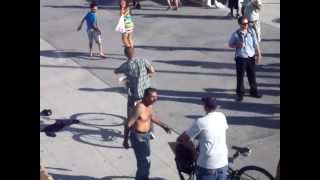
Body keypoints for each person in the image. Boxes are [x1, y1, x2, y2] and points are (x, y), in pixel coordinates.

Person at [123, 87, 172, 180]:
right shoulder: (139, 108)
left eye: (156, 97)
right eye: (152, 97)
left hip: (146, 136)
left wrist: (164, 126)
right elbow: (128, 124)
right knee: (143, 164)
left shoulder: (149, 105)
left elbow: (152, 117)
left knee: (147, 161)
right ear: (145, 97)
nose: (155, 99)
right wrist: (125, 140)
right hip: (138, 137)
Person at [177, 97, 229, 180]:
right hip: (223, 162)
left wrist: (194, 152)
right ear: (216, 107)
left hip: (207, 165)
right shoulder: (222, 116)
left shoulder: (200, 122)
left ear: (205, 107)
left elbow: (183, 139)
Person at [114, 47, 156, 137]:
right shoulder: (143, 60)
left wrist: (121, 74)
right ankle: (152, 131)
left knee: (130, 108)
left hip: (135, 94)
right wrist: (147, 76)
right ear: (134, 53)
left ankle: (129, 128)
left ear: (125, 55)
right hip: (146, 92)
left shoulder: (126, 65)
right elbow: (152, 70)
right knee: (148, 110)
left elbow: (116, 71)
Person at [229, 16, 262, 102]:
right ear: (240, 24)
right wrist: (237, 45)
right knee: (240, 76)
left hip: (251, 57)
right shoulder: (236, 34)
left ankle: (254, 91)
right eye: (244, 24)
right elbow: (230, 44)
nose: (246, 25)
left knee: (252, 75)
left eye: (247, 23)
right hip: (241, 58)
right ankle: (240, 94)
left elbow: (256, 44)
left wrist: (259, 54)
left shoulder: (251, 32)